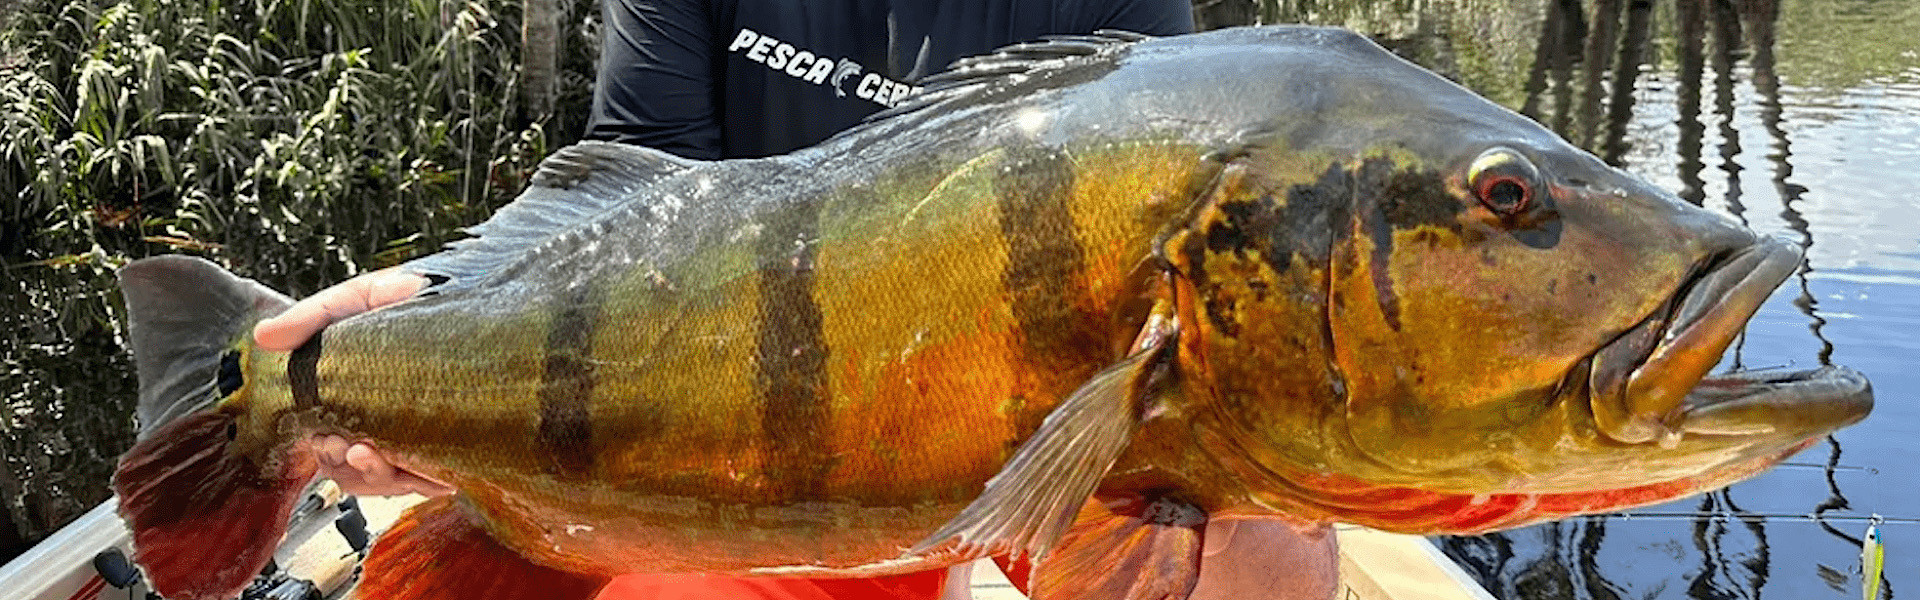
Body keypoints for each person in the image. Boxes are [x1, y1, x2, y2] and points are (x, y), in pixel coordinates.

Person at [255, 1, 1340, 598]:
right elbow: (630, 188)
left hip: (1044, 413)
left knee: (1275, 569)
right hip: (748, 426)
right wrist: (440, 299)